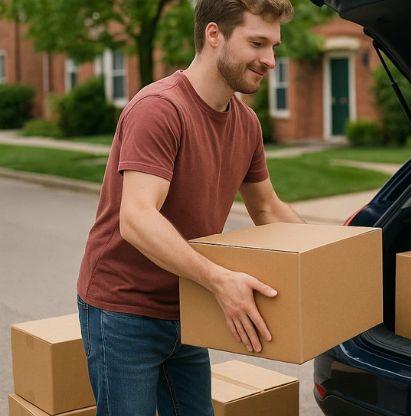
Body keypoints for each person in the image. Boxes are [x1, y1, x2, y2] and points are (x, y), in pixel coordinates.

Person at [75, 0, 299, 413]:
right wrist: (219, 281)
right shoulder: (160, 109)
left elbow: (267, 208)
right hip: (123, 310)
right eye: (257, 43)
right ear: (214, 35)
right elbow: (137, 218)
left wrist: (336, 254)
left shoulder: (246, 123)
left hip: (188, 303)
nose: (270, 60)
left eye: (274, 46)